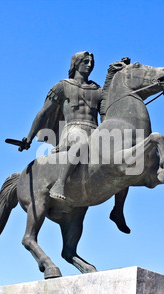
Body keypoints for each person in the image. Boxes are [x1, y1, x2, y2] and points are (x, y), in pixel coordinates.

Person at [20, 51, 131, 233]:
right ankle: (60, 183)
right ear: (76, 64)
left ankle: (118, 210)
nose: (89, 64)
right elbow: (44, 113)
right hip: (72, 129)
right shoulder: (62, 86)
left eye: (91, 62)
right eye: (85, 61)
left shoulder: (97, 90)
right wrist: (29, 138)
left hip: (95, 130)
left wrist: (121, 72)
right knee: (81, 140)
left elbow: (111, 105)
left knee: (124, 161)